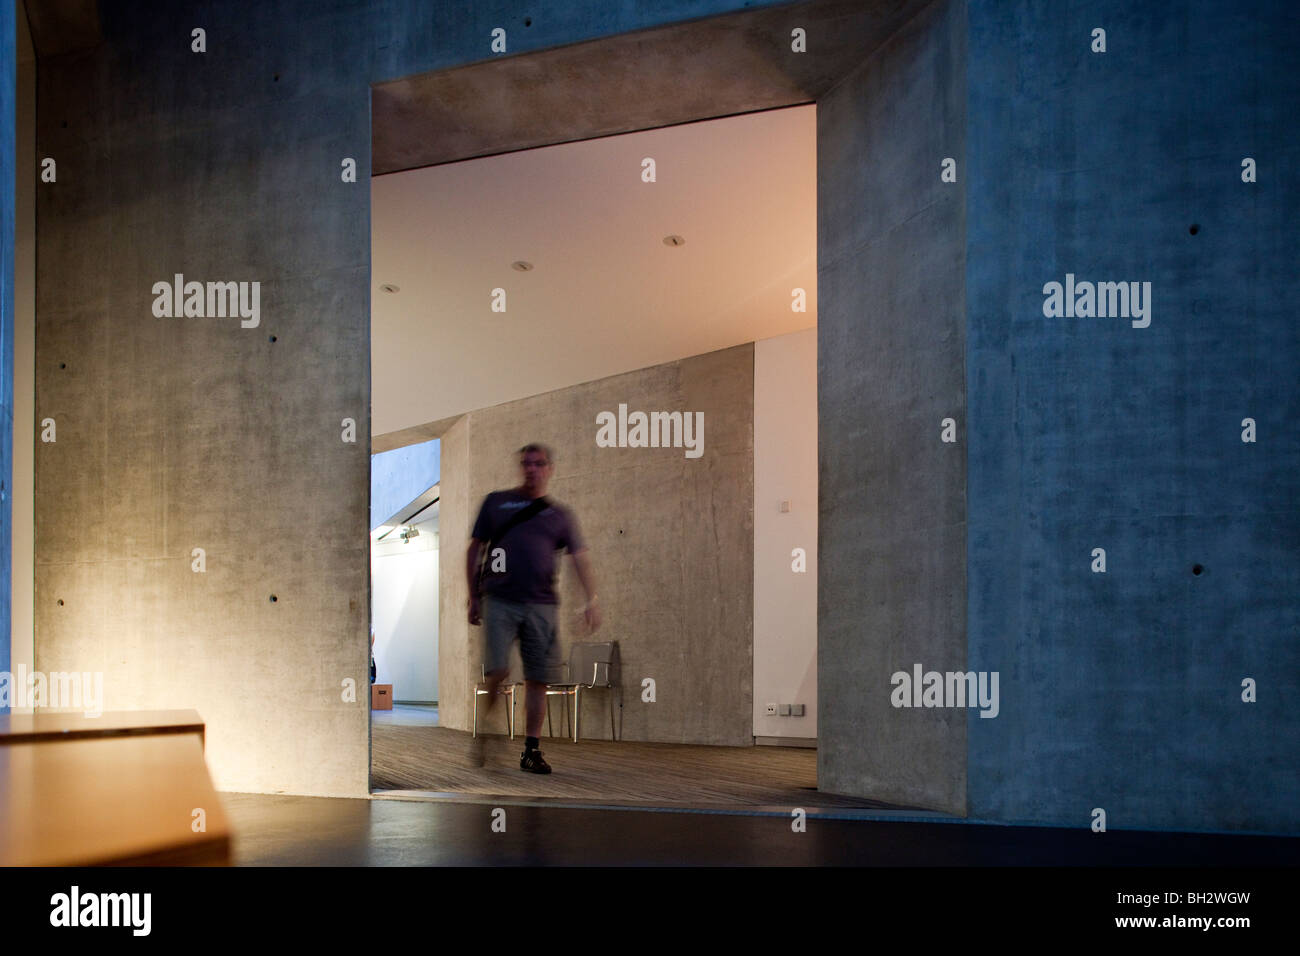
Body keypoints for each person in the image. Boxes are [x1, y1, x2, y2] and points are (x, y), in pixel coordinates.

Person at [466, 443, 600, 773]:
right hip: (499, 600)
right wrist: (472, 594)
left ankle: (531, 750)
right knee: (497, 671)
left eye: (538, 464)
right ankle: (486, 727)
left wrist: (590, 600)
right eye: (526, 463)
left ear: (549, 469)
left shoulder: (559, 515)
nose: (531, 469)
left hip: (541, 606)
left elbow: (580, 559)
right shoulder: (496, 503)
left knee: (538, 679)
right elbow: (474, 549)